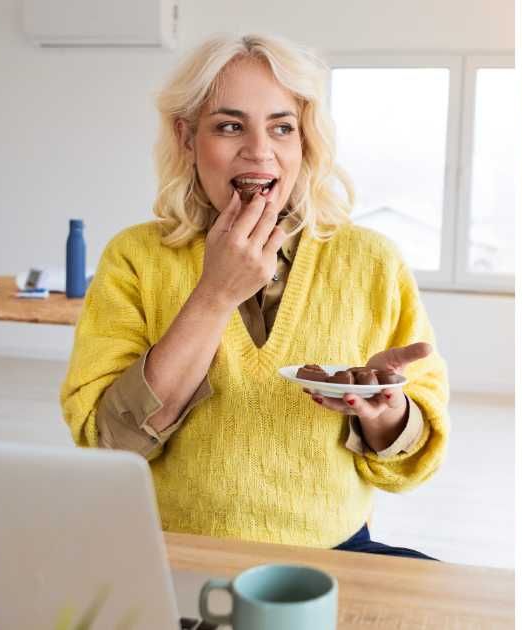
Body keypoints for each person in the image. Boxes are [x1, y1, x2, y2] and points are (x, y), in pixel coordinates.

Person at [60, 33, 448, 559]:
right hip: (170, 550)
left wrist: (383, 411)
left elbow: (414, 456)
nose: (259, 150)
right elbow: (108, 443)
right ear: (186, 137)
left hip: (331, 551)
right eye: (229, 126)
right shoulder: (133, 257)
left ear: (304, 143)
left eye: (282, 127)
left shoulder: (372, 261)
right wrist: (215, 294)